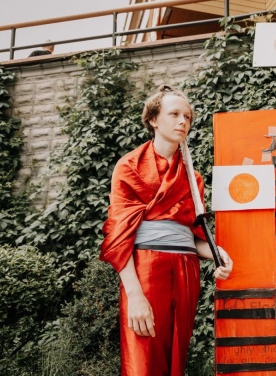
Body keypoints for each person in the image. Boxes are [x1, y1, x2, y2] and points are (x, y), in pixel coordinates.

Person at [99, 84, 233, 376]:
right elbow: (119, 238)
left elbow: (193, 239)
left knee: (175, 360)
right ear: (153, 119)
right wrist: (134, 295)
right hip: (146, 270)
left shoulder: (193, 177)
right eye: (174, 114)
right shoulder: (129, 166)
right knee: (143, 361)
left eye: (187, 117)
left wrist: (217, 253)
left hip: (185, 271)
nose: (183, 121)